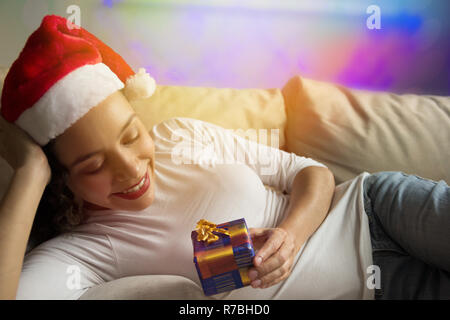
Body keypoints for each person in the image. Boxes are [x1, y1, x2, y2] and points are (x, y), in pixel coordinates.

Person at [0, 15, 448, 300]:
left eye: (131, 135)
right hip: (379, 289)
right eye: (93, 166)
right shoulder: (82, 253)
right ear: (62, 181)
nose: (131, 169)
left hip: (375, 207)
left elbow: (309, 171)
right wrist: (28, 171)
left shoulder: (176, 133)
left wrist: (290, 237)